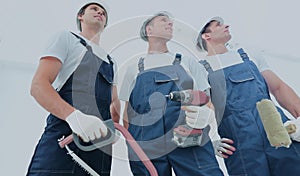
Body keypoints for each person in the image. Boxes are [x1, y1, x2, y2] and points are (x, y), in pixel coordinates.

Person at [119, 12, 224, 176]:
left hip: (187, 137)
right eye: (163, 21)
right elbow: (127, 114)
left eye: (171, 22)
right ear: (149, 30)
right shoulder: (133, 68)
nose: (170, 24)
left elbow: (206, 101)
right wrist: (134, 146)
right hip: (146, 143)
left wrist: (207, 116)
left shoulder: (188, 62)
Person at [196, 16, 300, 176]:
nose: (227, 25)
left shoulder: (249, 54)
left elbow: (279, 88)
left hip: (277, 129)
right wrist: (210, 139)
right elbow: (202, 108)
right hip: (240, 142)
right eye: (218, 25)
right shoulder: (200, 69)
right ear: (206, 35)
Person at [26, 1, 120, 175]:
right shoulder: (67, 39)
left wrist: (114, 129)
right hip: (63, 142)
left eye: (103, 13)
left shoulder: (112, 61)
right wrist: (74, 117)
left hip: (99, 151)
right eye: (94, 9)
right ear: (80, 16)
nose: (100, 12)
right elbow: (38, 86)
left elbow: (114, 102)